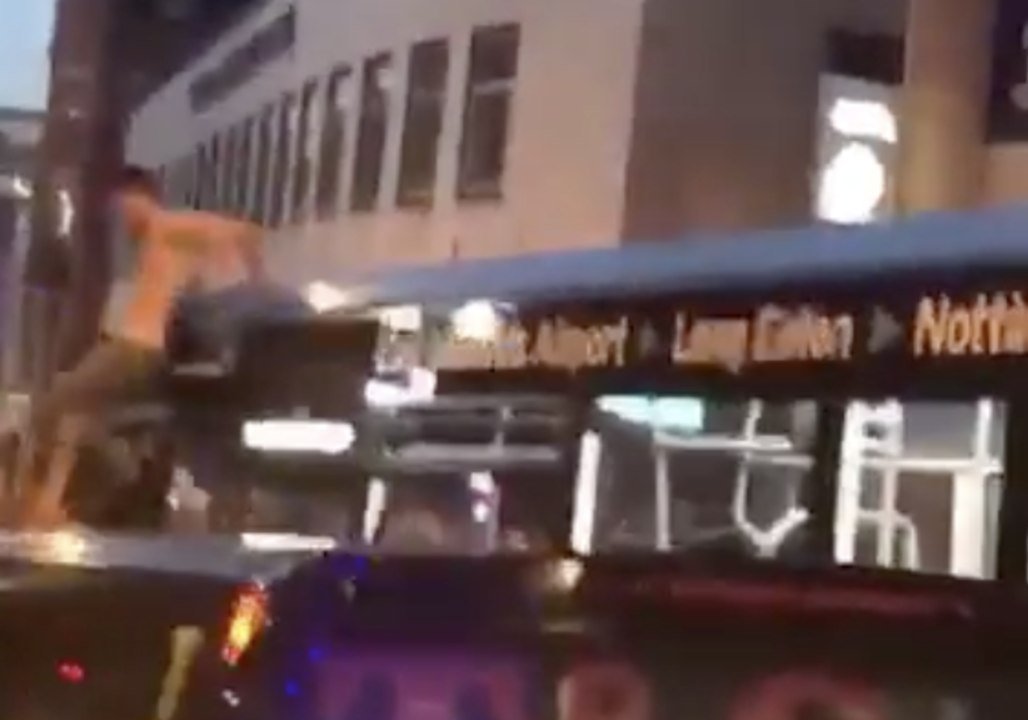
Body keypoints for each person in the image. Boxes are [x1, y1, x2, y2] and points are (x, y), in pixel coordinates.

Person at [9, 165, 275, 527]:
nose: (124, 220)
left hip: (138, 351)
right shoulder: (156, 242)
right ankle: (53, 501)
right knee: (76, 414)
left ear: (140, 198)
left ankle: (97, 480)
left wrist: (258, 283)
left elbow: (247, 233)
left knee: (54, 403)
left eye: (124, 209)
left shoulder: (167, 225)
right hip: (136, 348)